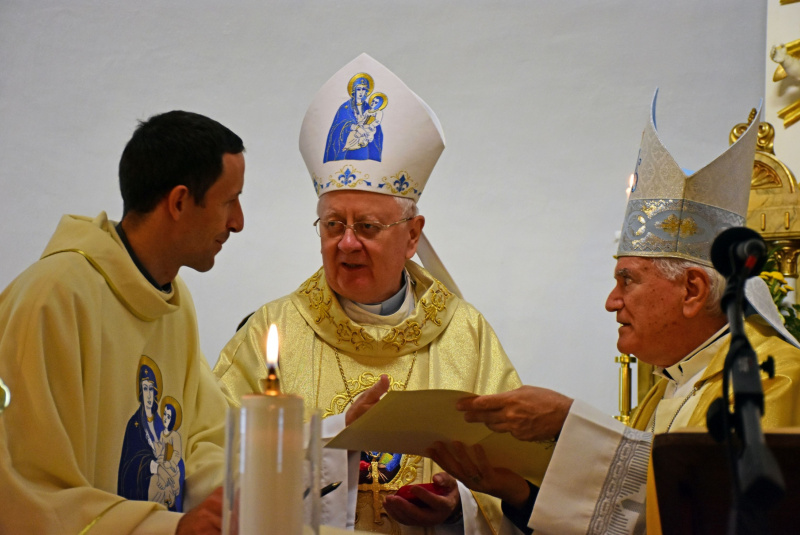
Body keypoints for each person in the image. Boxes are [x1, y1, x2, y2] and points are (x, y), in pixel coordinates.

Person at [429, 92, 800, 534]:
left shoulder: (771, 378)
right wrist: (516, 493)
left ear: (693, 290)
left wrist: (569, 422)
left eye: (628, 280)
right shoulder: (670, 385)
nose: (611, 301)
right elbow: (630, 522)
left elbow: (721, 508)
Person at [214, 53, 522, 535]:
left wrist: (456, 509)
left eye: (368, 226)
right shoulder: (269, 333)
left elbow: (514, 475)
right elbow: (216, 467)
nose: (347, 242)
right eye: (333, 224)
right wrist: (335, 443)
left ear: (413, 234)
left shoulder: (466, 334)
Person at [0, 110, 245, 534]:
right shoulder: (53, 300)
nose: (238, 222)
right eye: (229, 201)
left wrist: (266, 486)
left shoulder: (174, 300)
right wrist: (170, 529)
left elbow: (204, 441)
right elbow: (24, 491)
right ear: (180, 202)